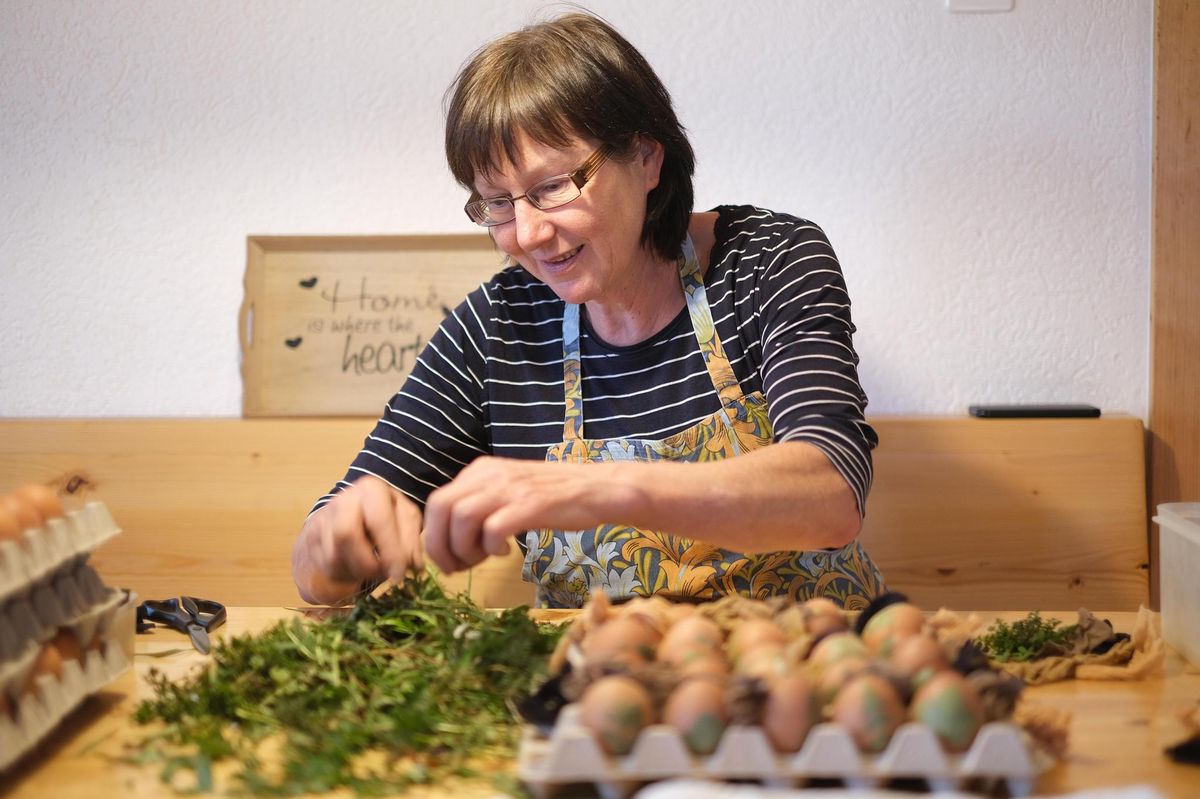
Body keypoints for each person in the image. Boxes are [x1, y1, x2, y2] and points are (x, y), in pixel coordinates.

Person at [291, 11, 887, 609]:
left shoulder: (765, 260)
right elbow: (317, 573)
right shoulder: (498, 328)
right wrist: (340, 538)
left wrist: (597, 488)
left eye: (552, 187)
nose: (526, 233)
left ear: (647, 158)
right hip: (593, 694)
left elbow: (831, 492)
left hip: (809, 673)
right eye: (497, 203)